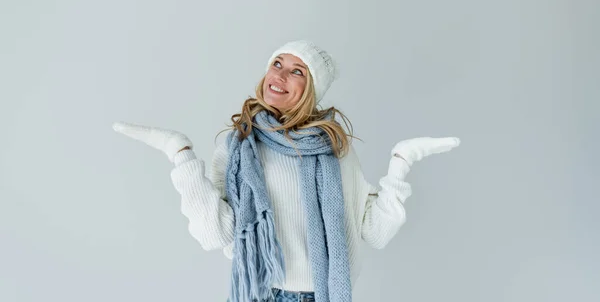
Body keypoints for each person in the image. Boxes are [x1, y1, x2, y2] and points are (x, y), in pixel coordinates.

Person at [113, 40, 460, 302]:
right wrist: (181, 153)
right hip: (262, 294)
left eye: (297, 70)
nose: (279, 75)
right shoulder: (240, 147)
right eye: (277, 63)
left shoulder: (335, 149)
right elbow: (214, 234)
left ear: (311, 90)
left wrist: (401, 163)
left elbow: (375, 231)